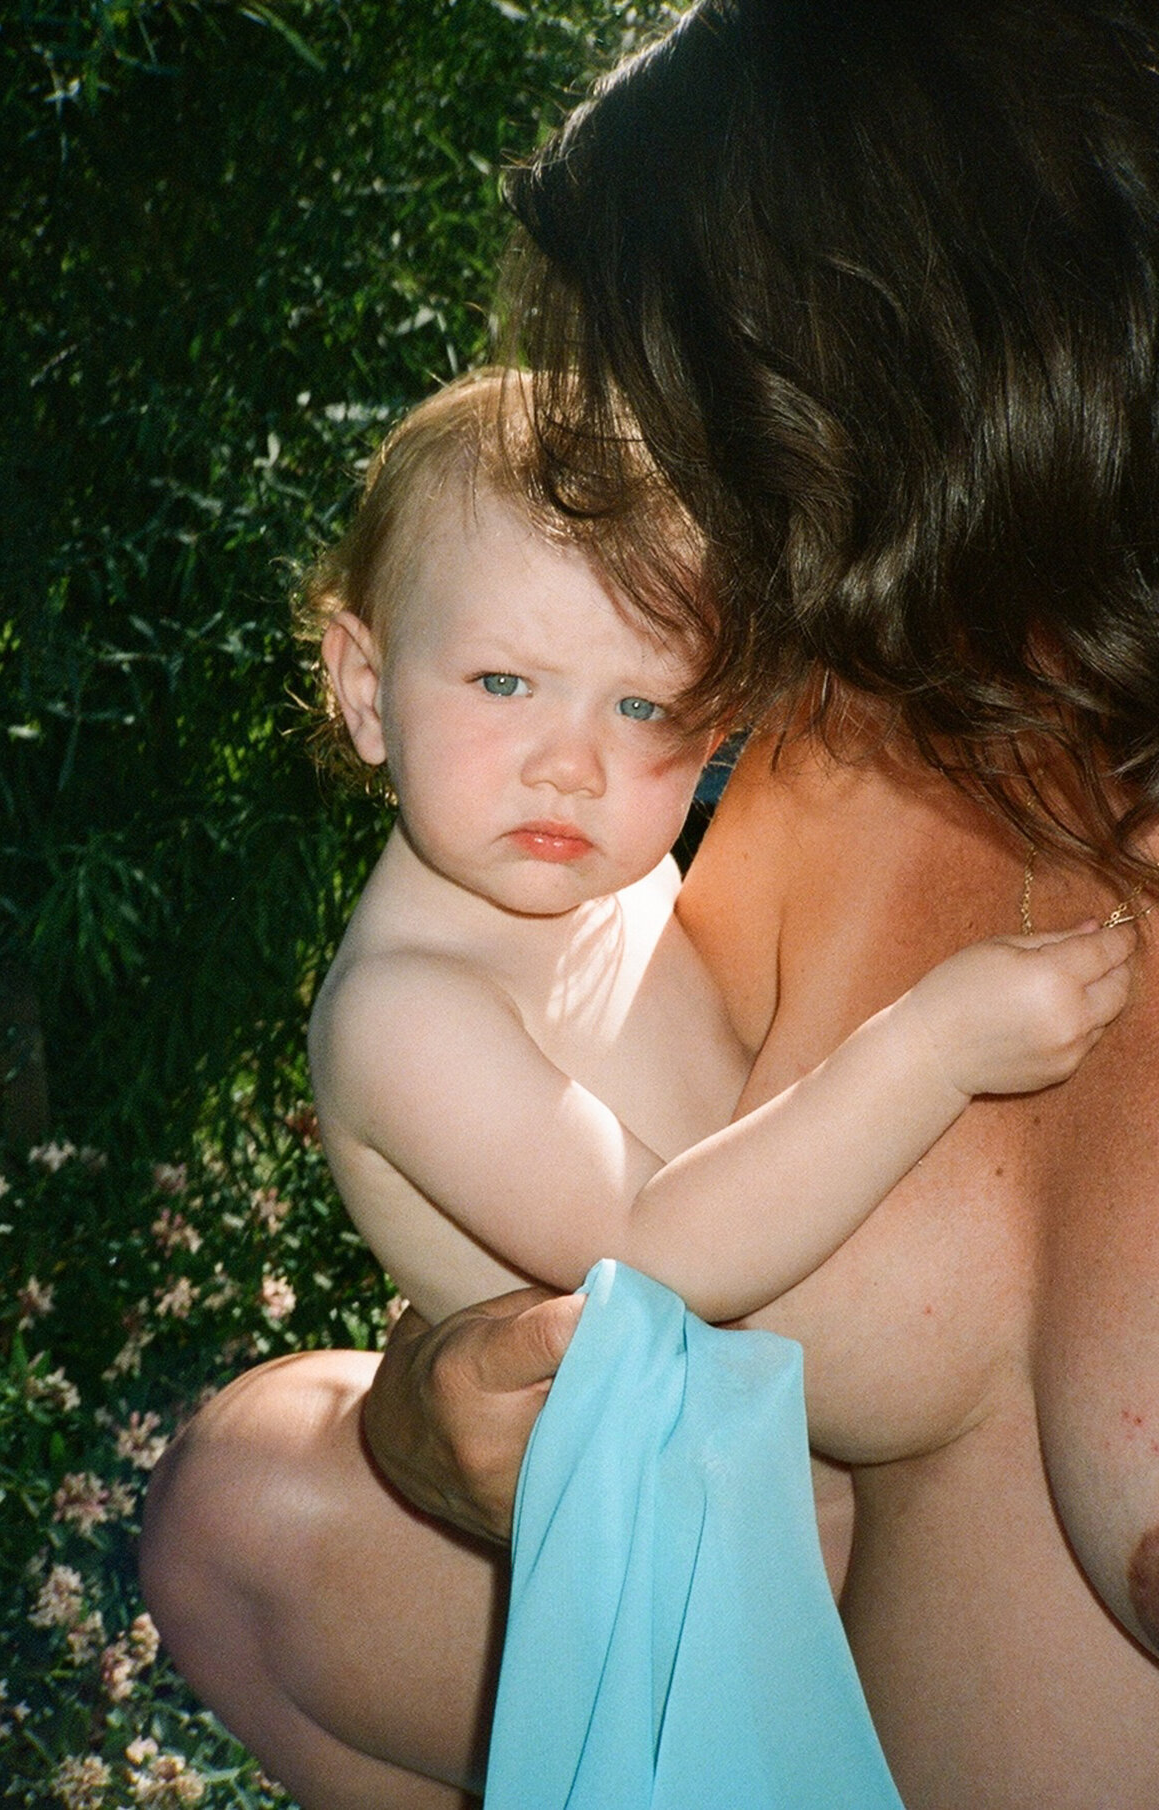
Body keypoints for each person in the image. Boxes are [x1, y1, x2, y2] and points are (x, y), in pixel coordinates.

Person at [140, 4, 1159, 1806]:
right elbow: (608, 1218)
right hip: (761, 1677)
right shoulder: (822, 732)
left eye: (694, 394)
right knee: (236, 1501)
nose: (658, 474)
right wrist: (438, 1402)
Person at [305, 365, 1127, 1332]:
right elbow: (658, 1254)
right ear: (366, 688)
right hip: (671, 1485)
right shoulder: (403, 1013)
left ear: (713, 737)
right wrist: (936, 1049)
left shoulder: (616, 878)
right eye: (502, 683)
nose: (573, 766)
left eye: (641, 705)